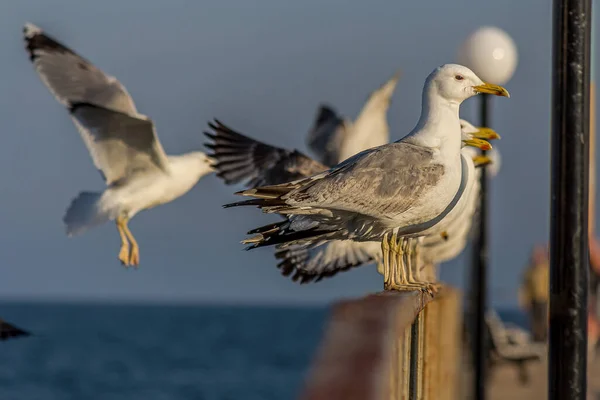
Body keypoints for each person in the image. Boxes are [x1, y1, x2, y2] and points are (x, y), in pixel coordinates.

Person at [518, 245, 550, 342]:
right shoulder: (529, 271)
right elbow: (524, 288)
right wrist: (524, 301)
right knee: (534, 322)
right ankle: (536, 339)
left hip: (544, 300)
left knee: (544, 321)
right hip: (534, 300)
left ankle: (544, 339)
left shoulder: (547, 269)